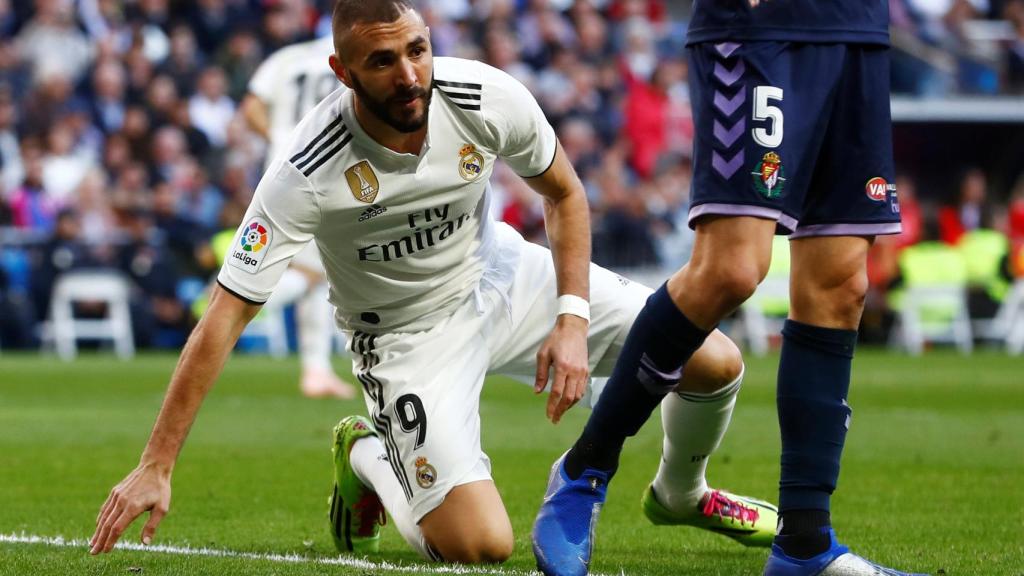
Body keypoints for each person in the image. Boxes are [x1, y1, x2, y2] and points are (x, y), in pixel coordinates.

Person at [89, 0, 777, 564]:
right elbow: (225, 316)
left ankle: (681, 493)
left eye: (417, 49)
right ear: (343, 71)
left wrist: (570, 317)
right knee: (480, 547)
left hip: (507, 276)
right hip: (406, 338)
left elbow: (564, 195)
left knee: (713, 361)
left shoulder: (482, 94)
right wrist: (156, 462)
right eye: (383, 61)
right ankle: (365, 454)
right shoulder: (306, 169)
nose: (409, 74)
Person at [532, 1, 932, 575]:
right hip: (763, 29)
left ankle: (804, 544)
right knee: (733, 269)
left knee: (841, 284)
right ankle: (584, 469)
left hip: (856, 29)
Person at [240, 30, 356, 400]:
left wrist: (278, 138)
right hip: (327, 168)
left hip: (279, 168)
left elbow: (252, 106)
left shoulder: (288, 58)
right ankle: (226, 299)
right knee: (314, 272)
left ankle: (316, 371)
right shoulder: (354, 56)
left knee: (317, 272)